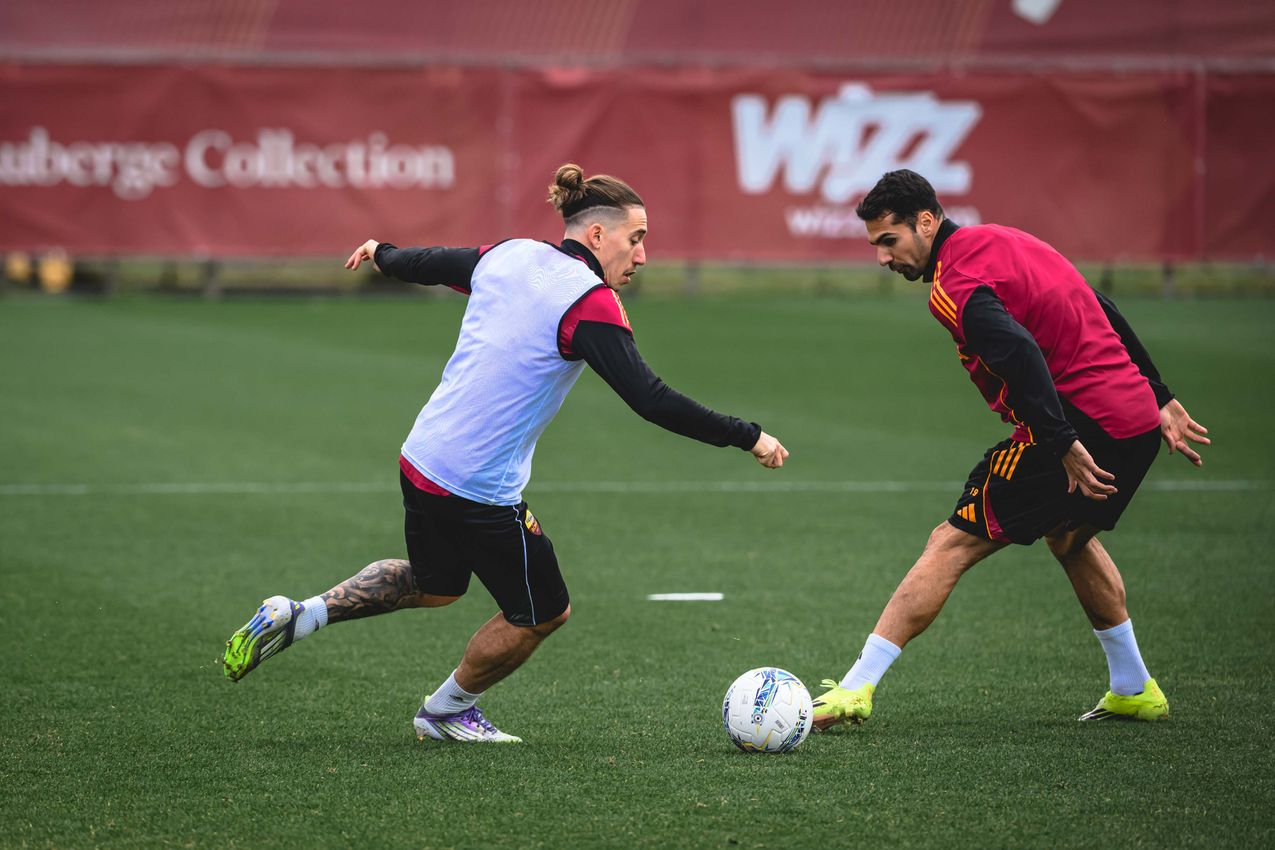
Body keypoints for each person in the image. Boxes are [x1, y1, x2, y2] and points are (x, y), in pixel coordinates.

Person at [222, 163, 789, 743]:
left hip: (422, 457)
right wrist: (749, 434)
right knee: (544, 611)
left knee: (437, 584)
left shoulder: (511, 254)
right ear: (596, 235)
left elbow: (434, 262)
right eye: (636, 238)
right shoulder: (590, 303)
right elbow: (651, 399)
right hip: (477, 486)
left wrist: (382, 252)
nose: (642, 255)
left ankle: (302, 614)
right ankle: (444, 713)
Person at [812, 169, 1210, 729]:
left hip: (1083, 427)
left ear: (926, 222)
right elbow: (1099, 304)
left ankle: (855, 689)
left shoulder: (954, 286)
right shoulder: (1004, 240)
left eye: (889, 241)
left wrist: (1062, 441)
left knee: (950, 542)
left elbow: (1021, 354)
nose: (882, 258)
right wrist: (1160, 396)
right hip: (1132, 425)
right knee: (1068, 537)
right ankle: (1134, 687)